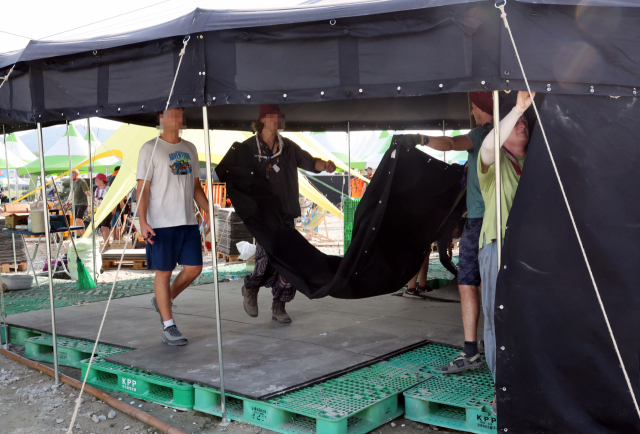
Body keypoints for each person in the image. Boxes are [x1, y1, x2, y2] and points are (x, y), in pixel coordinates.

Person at [412, 91, 502, 373]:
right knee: (489, 284)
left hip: (481, 220)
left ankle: (472, 350)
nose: (472, 112)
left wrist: (421, 139)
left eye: (474, 107)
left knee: (469, 282)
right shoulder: (508, 132)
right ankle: (492, 345)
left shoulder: (480, 134)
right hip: (503, 219)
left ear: (483, 108)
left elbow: (450, 143)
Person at [226, 104, 336, 324]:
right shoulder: (248, 148)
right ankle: (251, 286)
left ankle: (279, 304)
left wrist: (324, 165)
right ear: (262, 120)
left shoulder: (288, 147)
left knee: (289, 262)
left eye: (279, 117)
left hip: (286, 213)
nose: (277, 120)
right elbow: (234, 176)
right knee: (266, 258)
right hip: (263, 216)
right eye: (272, 117)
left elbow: (309, 161)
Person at [478, 90, 534, 413]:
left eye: (525, 121)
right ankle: (503, 388)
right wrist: (516, 109)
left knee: (528, 317)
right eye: (516, 123)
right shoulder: (494, 162)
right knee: (497, 318)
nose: (521, 124)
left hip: (530, 253)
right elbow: (488, 146)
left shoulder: (537, 161)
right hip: (497, 246)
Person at [136, 107, 210, 346]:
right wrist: (142, 221)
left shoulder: (190, 148)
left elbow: (196, 187)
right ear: (161, 117)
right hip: (161, 223)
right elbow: (142, 189)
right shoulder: (150, 148)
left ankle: (163, 300)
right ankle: (168, 325)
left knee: (194, 268)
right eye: (173, 113)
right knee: (164, 271)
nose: (178, 118)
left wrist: (209, 211)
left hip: (188, 221)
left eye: (180, 113)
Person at [65, 169, 89, 237]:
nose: (71, 177)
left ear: (77, 175)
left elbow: (86, 191)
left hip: (82, 203)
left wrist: (88, 195)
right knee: (76, 220)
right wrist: (68, 200)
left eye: (72, 175)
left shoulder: (82, 182)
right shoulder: (72, 182)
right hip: (76, 203)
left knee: (78, 219)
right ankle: (77, 235)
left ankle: (84, 236)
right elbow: (71, 191)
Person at [90, 173, 111, 250]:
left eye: (97, 180)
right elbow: (96, 200)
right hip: (99, 211)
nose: (95, 181)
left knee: (104, 227)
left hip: (107, 210)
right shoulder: (97, 190)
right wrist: (90, 196)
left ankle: (106, 245)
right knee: (102, 228)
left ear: (102, 180)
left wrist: (114, 209)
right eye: (95, 180)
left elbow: (111, 199)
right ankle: (106, 244)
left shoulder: (107, 189)